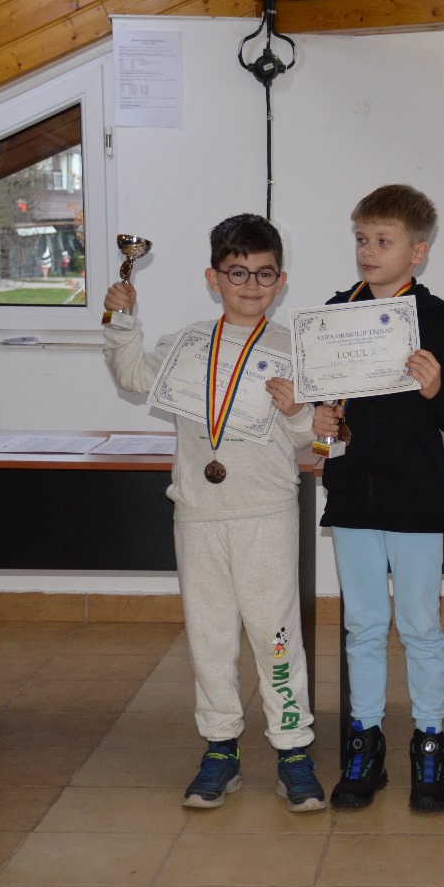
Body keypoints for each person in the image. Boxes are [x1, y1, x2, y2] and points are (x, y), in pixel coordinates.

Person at [102, 213, 328, 813]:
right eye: (237, 272)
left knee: (276, 634)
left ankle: (293, 751)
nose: (251, 285)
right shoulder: (186, 344)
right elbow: (132, 376)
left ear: (281, 281)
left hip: (265, 513)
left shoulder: (293, 350)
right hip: (199, 512)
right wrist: (121, 321)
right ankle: (221, 748)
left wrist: (298, 411)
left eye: (264, 274)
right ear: (213, 278)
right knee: (209, 635)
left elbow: (316, 438)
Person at [313, 184, 444, 813]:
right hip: (353, 491)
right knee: (362, 624)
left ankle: (430, 743)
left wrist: (434, 389)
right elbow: (323, 400)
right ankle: (366, 741)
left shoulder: (439, 318)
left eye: (383, 240)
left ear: (418, 252)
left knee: (420, 626)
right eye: (362, 239)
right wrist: (321, 417)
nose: (368, 251)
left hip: (415, 496)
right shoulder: (336, 311)